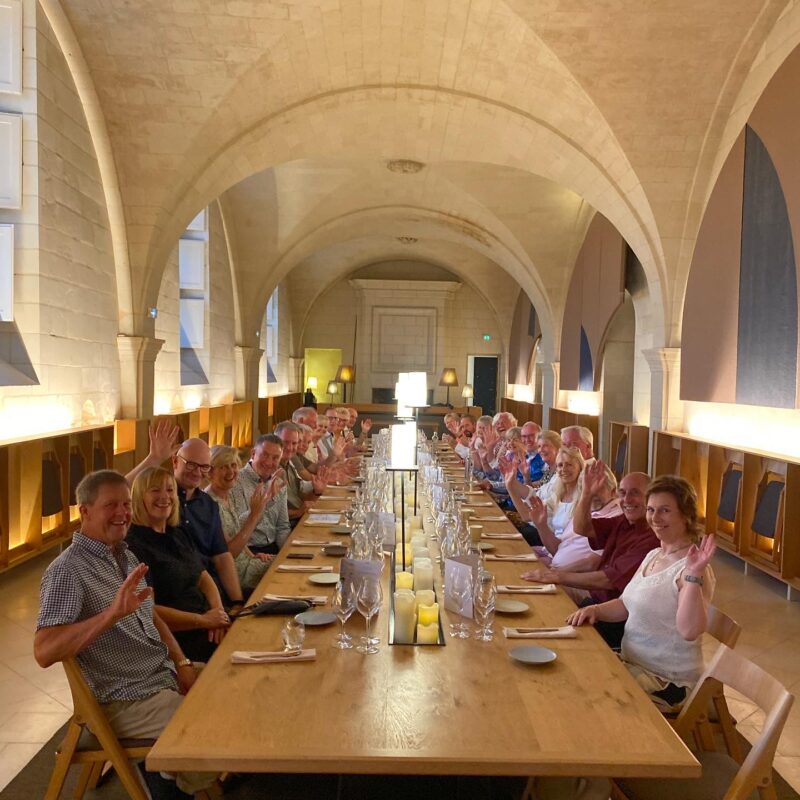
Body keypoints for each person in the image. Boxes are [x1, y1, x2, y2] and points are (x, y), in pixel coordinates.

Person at [34, 470, 216, 798]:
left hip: (161, 676)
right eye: (110, 505)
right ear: (84, 511)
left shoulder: (124, 554)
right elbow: (44, 651)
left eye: (126, 504)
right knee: (211, 724)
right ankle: (170, 779)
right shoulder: (67, 571)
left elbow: (153, 615)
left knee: (236, 690)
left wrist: (182, 660)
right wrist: (110, 615)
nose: (123, 513)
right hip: (124, 700)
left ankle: (170, 772)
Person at [568, 476, 716, 711]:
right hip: (633, 663)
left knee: (584, 698)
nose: (655, 518)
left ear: (686, 515)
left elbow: (690, 631)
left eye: (665, 510)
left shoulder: (692, 568)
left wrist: (694, 573)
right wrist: (594, 610)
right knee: (571, 671)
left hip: (665, 681)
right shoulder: (654, 555)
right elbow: (626, 604)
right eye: (651, 509)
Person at [522, 463, 659, 649]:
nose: (626, 499)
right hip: (595, 603)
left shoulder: (651, 537)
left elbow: (608, 580)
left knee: (548, 625)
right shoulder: (625, 522)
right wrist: (586, 494)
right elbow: (583, 528)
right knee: (539, 611)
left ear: (652, 498)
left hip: (615, 619)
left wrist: (558, 576)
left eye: (635, 493)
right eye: (623, 492)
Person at [126, 423, 245, 613]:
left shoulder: (208, 504)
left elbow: (222, 557)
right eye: (191, 464)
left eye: (204, 467)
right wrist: (154, 458)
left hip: (210, 594)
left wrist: (237, 602)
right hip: (177, 598)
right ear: (175, 462)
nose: (197, 472)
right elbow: (118, 492)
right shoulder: (160, 505)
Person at [127, 468, 230, 663]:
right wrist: (204, 621)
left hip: (209, 623)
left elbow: (203, 576)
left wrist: (218, 613)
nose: (165, 497)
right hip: (180, 639)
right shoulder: (135, 545)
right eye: (155, 490)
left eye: (170, 490)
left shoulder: (177, 533)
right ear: (140, 497)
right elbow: (150, 611)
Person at [206, 445, 284, 593]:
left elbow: (237, 535)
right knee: (285, 568)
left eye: (233, 465)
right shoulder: (209, 504)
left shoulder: (227, 495)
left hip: (248, 563)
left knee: (288, 561)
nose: (230, 472)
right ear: (210, 472)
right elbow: (228, 552)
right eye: (223, 467)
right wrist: (253, 516)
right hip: (237, 576)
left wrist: (254, 555)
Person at [228, 433, 291, 554]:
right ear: (253, 453)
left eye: (275, 458)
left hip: (274, 549)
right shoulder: (236, 481)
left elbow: (283, 526)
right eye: (265, 455)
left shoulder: (279, 483)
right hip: (248, 550)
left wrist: (287, 554)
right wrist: (265, 502)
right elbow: (237, 526)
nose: (268, 462)